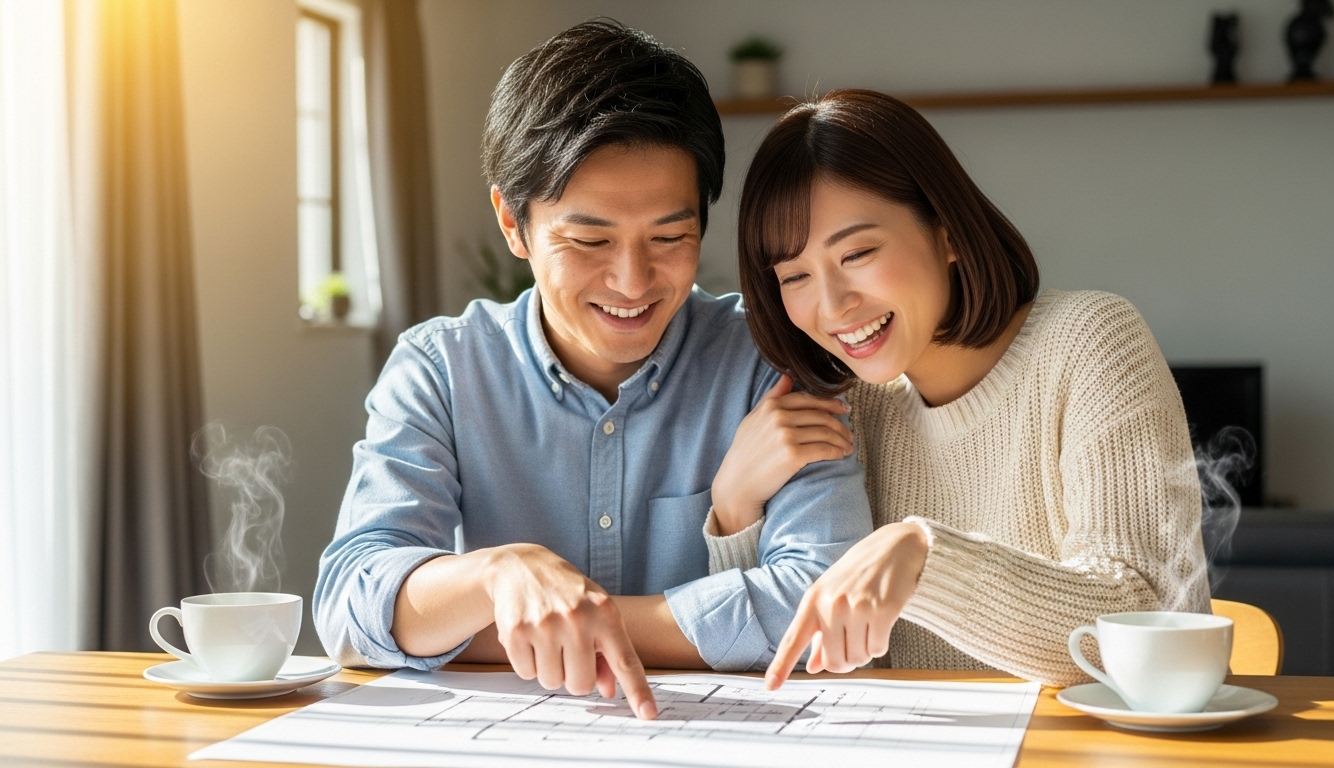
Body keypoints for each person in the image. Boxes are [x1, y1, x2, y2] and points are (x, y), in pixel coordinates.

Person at [312, 23, 871, 720]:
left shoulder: (772, 359)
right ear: (512, 223)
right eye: (589, 240)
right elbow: (350, 603)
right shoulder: (442, 370)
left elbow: (826, 600)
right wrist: (495, 575)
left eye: (670, 237)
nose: (633, 281)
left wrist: (517, 629)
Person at [708, 89, 1209, 688]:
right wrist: (736, 509)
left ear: (947, 233)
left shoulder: (1092, 343)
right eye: (795, 276)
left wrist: (926, 556)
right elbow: (809, 661)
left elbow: (1148, 619)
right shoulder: (853, 406)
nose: (833, 305)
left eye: (858, 253)